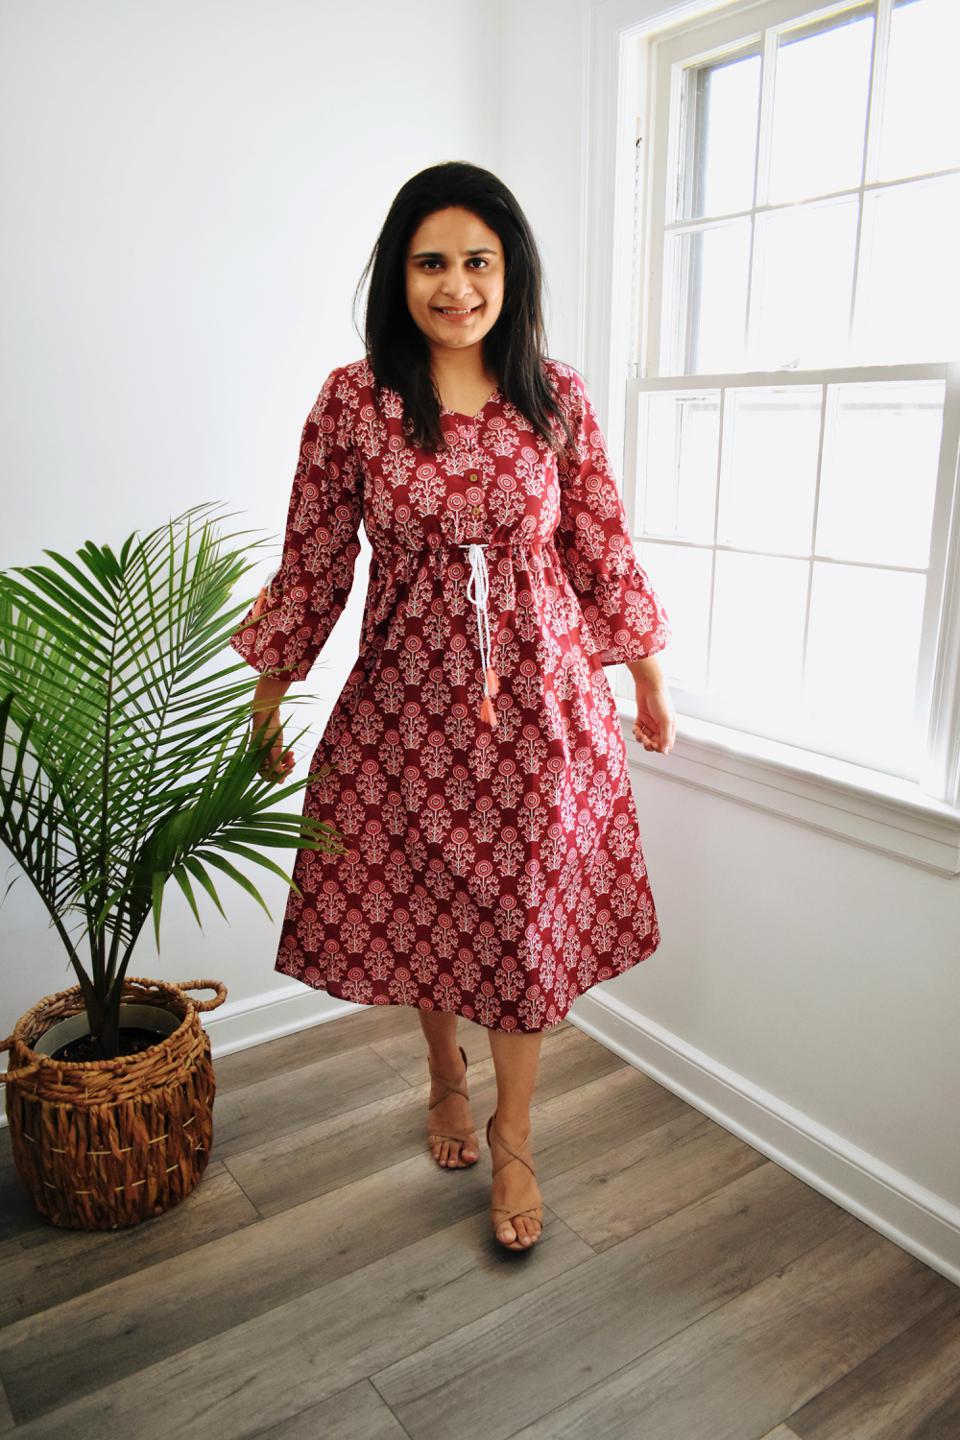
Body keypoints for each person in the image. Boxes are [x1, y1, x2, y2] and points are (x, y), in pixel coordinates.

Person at [230, 161, 676, 1252]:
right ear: (401, 273)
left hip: (541, 704)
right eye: (433, 262)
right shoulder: (354, 401)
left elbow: (597, 544)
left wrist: (647, 672)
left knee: (523, 922)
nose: (457, 285)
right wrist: (270, 693)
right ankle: (442, 1071)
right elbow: (315, 558)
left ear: (510, 273)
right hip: (404, 704)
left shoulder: (554, 396)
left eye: (479, 261)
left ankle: (514, 1132)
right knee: (427, 904)